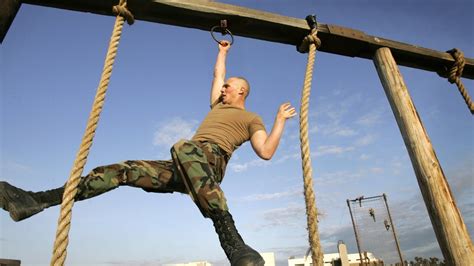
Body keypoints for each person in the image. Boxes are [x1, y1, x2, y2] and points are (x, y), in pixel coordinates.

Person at [0, 40, 296, 266]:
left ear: (241, 92)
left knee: (183, 146)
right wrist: (223, 51)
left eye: (228, 88)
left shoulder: (251, 119)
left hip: (208, 164)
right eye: (223, 87)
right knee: (120, 170)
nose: (222, 90)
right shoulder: (216, 105)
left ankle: (233, 241)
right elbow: (218, 74)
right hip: (182, 165)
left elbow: (266, 151)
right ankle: (37, 200)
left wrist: (279, 121)